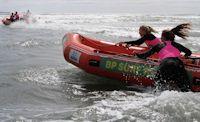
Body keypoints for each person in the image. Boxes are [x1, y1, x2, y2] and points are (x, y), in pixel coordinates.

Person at [136, 23, 192, 91]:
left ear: (163, 37)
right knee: (185, 89)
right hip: (178, 64)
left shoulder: (159, 45)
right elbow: (189, 52)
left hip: (165, 64)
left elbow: (144, 56)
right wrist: (185, 56)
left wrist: (137, 54)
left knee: (158, 88)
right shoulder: (177, 45)